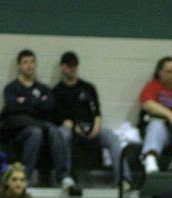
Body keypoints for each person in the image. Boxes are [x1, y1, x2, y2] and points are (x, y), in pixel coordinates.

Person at [0, 50, 80, 195]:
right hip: (19, 131)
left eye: (32, 62)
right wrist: (37, 103)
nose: (29, 65)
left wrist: (25, 101)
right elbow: (13, 106)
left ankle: (64, 176)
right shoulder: (11, 88)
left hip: (43, 129)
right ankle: (25, 177)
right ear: (19, 66)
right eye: (25, 62)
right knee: (35, 132)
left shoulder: (43, 88)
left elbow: (49, 105)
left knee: (56, 130)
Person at [53, 51, 130, 188]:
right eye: (69, 66)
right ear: (62, 67)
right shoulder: (57, 91)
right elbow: (61, 118)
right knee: (62, 134)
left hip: (91, 125)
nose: (72, 69)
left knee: (112, 137)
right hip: (71, 127)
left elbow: (97, 112)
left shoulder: (88, 88)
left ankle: (124, 178)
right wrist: (75, 128)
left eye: (75, 66)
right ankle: (65, 176)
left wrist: (96, 126)